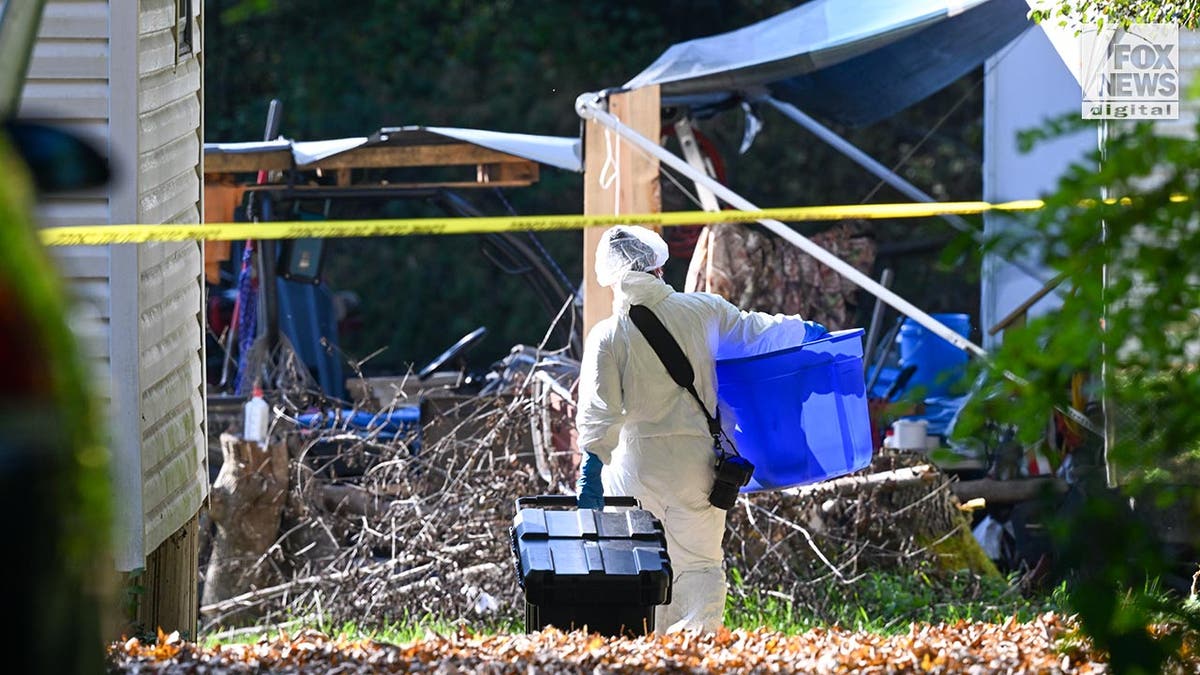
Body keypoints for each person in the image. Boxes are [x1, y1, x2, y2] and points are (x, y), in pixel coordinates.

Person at [574, 225, 828, 633]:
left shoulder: (607, 335)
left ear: (613, 276)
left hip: (635, 467)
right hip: (697, 465)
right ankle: (695, 650)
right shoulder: (702, 310)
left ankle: (644, 652)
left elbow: (599, 413)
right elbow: (756, 333)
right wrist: (804, 330)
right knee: (699, 565)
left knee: (639, 566)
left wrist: (590, 473)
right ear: (658, 266)